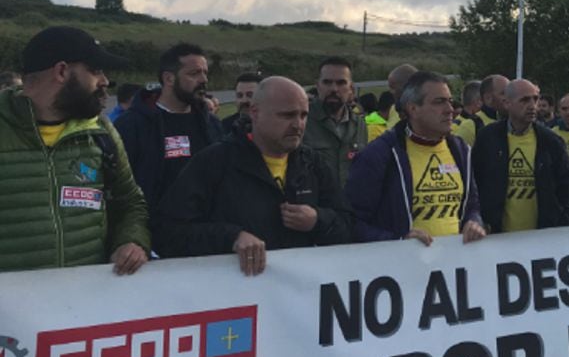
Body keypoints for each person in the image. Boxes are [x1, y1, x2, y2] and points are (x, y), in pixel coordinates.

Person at [157, 77, 352, 275]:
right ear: (255, 113)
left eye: (303, 115)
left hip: (297, 297)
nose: (298, 125)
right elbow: (168, 233)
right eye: (287, 115)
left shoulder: (313, 164)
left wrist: (317, 220)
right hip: (233, 293)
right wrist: (232, 237)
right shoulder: (215, 162)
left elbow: (348, 227)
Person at [0, 26, 149, 273]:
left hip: (84, 301)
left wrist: (131, 241)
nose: (104, 81)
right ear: (61, 71)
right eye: (95, 70)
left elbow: (130, 202)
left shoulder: (101, 131)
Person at [347, 71, 485, 245]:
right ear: (413, 109)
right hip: (403, 266)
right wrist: (399, 241)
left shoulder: (461, 150)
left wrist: (473, 223)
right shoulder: (379, 154)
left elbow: (471, 206)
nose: (450, 109)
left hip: (452, 266)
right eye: (439, 102)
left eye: (450, 101)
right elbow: (352, 222)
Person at [114, 43, 225, 231]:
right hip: (154, 238)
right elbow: (120, 189)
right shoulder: (132, 125)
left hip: (207, 236)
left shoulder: (212, 124)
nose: (203, 80)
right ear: (169, 78)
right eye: (194, 73)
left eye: (205, 73)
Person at [473, 79, 569, 232]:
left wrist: (561, 222)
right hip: (496, 238)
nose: (532, 105)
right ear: (507, 103)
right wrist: (480, 220)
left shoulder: (551, 142)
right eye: (525, 100)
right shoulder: (487, 138)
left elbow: (566, 188)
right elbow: (475, 183)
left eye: (535, 99)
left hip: (541, 239)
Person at [303, 57, 367, 189]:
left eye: (341, 83)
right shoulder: (302, 120)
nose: (334, 89)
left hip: (349, 205)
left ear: (351, 88)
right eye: (327, 82)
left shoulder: (360, 125)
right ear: (318, 85)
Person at [453, 74, 508, 146]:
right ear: (488, 98)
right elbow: (459, 155)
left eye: (511, 93)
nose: (509, 97)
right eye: (504, 93)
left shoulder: (515, 122)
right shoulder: (472, 125)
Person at [385, 63, 418, 128]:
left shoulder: (428, 109)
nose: (390, 92)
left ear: (407, 87)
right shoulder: (394, 107)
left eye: (393, 87)